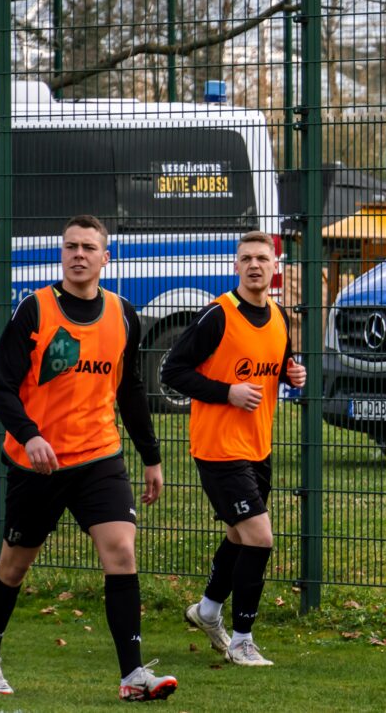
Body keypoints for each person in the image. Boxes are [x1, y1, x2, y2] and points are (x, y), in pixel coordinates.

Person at [0, 215, 176, 701]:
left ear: (106, 257)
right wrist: (29, 436)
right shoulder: (35, 311)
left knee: (122, 552)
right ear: (61, 254)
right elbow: (2, 386)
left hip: (99, 458)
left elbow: (129, 391)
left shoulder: (124, 314)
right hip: (36, 464)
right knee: (13, 567)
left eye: (88, 247)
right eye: (71, 246)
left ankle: (132, 676)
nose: (78, 254)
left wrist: (151, 456)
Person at [161, 231, 305, 667]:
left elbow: (273, 364)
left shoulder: (279, 316)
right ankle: (242, 639)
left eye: (263, 258)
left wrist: (289, 374)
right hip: (219, 448)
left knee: (238, 536)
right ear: (236, 266)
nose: (255, 265)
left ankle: (207, 611)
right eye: (247, 258)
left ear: (274, 268)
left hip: (258, 447)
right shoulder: (217, 315)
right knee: (260, 538)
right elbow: (172, 370)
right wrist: (226, 392)